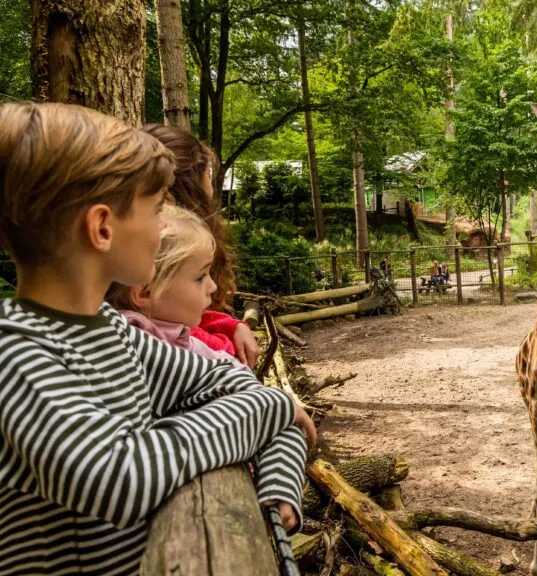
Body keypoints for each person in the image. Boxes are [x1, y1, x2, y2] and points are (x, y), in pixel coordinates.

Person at [0, 102, 314, 575]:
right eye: (154, 210)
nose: (165, 224)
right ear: (102, 228)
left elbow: (234, 384)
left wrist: (276, 484)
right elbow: (119, 478)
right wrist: (273, 408)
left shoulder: (113, 333)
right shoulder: (17, 357)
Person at [141, 124, 258, 369]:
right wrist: (225, 347)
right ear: (191, 185)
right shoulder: (157, 245)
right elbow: (175, 334)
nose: (212, 188)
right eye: (209, 176)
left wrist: (228, 324)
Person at [107, 205, 247, 371]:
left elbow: (223, 363)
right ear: (146, 293)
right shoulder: (135, 340)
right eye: (200, 277)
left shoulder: (173, 333)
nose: (213, 286)